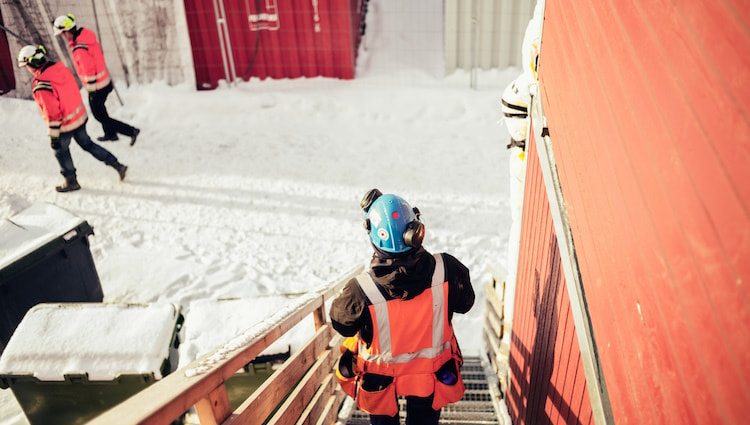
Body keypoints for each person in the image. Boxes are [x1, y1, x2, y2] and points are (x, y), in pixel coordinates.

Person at [330, 189, 475, 425]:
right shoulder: (446, 269)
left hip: (380, 381)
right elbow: (466, 304)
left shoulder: (361, 290)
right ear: (416, 231)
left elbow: (342, 324)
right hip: (431, 375)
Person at [18, 45, 127, 192]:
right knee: (88, 144)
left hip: (65, 125)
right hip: (80, 118)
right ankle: (117, 164)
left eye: (26, 66)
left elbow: (52, 113)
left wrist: (54, 136)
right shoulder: (60, 68)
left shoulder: (42, 84)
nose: (27, 69)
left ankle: (71, 181)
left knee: (60, 151)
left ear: (31, 64)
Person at [53, 13, 140, 145]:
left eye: (62, 34)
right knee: (101, 111)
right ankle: (111, 134)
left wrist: (92, 91)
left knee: (98, 115)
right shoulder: (86, 37)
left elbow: (89, 70)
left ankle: (131, 131)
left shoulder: (79, 48)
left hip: (97, 87)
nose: (62, 38)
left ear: (66, 32)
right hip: (105, 82)